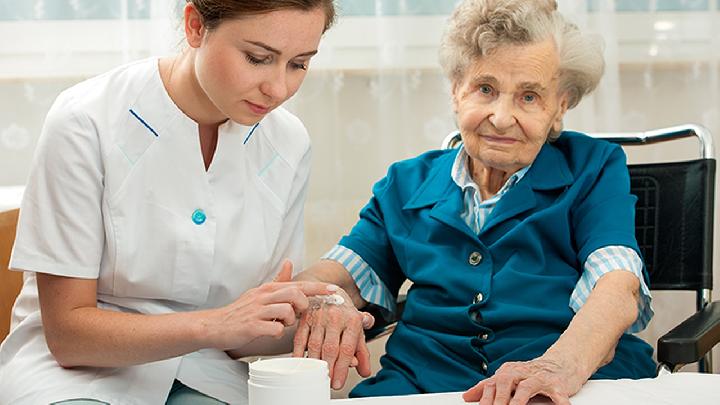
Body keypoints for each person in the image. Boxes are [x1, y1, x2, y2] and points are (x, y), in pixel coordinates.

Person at [291, 0, 656, 403]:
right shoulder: (406, 183)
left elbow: (617, 286)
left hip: (564, 378)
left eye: (529, 97)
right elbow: (339, 274)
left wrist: (555, 368)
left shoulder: (594, 167)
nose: (501, 117)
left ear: (560, 107)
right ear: (455, 91)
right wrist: (324, 297)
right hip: (423, 384)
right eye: (486, 89)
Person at [0, 1, 343, 404]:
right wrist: (215, 325)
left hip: (207, 375)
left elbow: (249, 329)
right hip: (74, 376)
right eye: (257, 58)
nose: (278, 88)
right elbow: (68, 337)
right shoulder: (85, 121)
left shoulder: (288, 143)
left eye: (299, 64)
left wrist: (325, 313)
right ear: (195, 25)